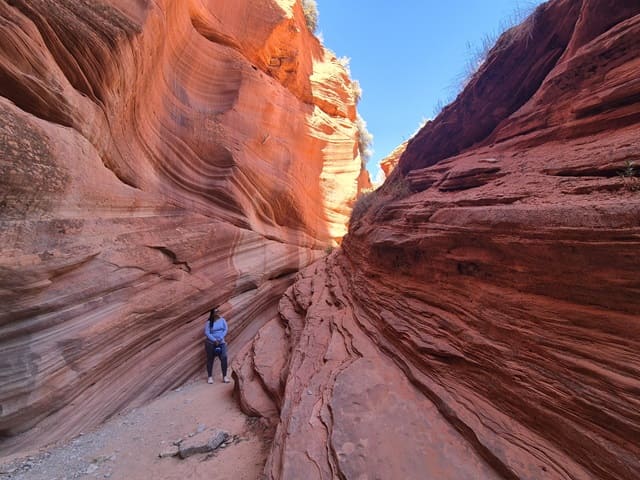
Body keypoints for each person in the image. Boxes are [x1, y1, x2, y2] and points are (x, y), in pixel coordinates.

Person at [204, 308, 230, 384]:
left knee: (224, 358)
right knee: (210, 359)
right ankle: (210, 377)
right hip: (211, 343)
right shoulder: (209, 322)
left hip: (221, 343)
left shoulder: (222, 320)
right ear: (212, 313)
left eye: (218, 311)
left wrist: (220, 338)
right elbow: (207, 332)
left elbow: (225, 329)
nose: (218, 313)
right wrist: (214, 340)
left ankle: (225, 376)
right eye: (216, 312)